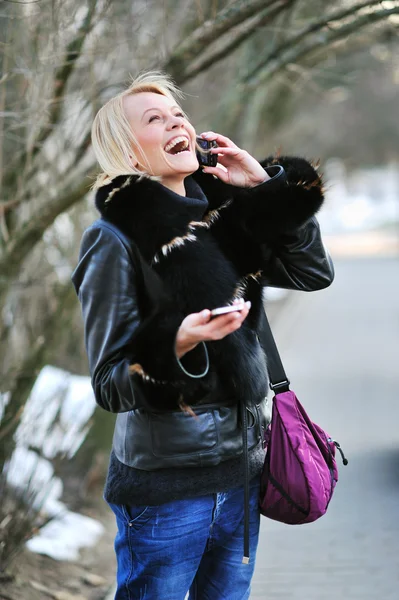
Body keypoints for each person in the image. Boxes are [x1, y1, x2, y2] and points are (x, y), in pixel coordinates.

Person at [71, 71, 334, 600]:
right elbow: (109, 382)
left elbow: (313, 274)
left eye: (178, 116)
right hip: (165, 492)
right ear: (128, 150)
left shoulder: (224, 216)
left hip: (241, 475)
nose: (176, 124)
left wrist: (263, 188)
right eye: (155, 120)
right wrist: (178, 343)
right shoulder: (113, 239)